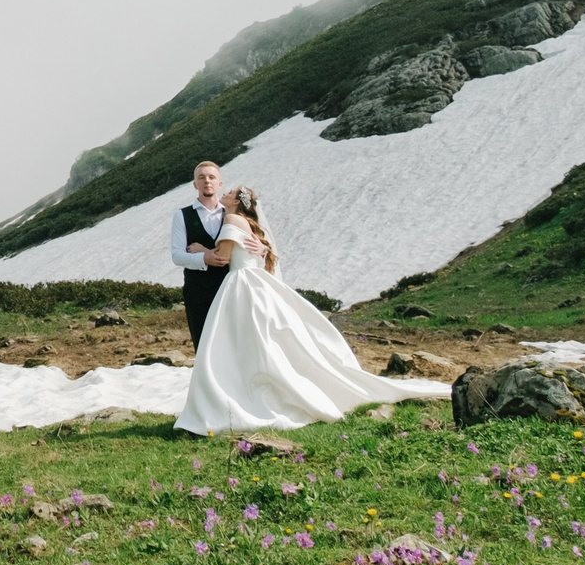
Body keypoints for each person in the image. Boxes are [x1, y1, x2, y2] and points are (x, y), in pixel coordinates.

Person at [172, 185, 446, 436]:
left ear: (237, 202)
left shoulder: (232, 219)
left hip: (241, 285)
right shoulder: (251, 225)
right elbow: (257, 253)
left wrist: (200, 249)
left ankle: (243, 391)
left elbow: (222, 258)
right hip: (256, 284)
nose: (225, 192)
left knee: (239, 342)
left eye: (230, 191)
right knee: (259, 341)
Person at [170, 160, 229, 347]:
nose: (207, 181)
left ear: (220, 183)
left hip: (228, 289)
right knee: (203, 345)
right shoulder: (182, 215)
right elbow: (177, 256)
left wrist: (260, 248)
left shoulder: (232, 215)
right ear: (195, 184)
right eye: (201, 177)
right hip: (197, 291)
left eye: (212, 177)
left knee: (229, 344)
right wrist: (205, 258)